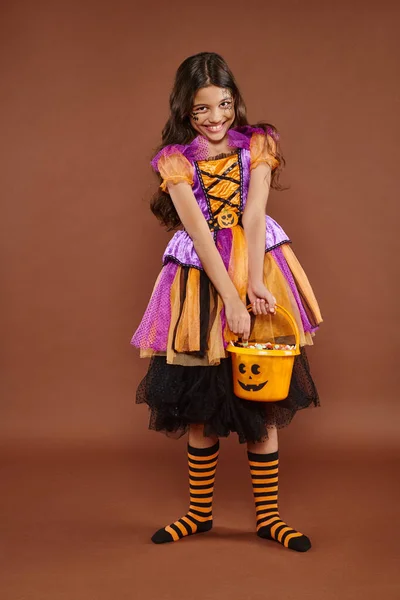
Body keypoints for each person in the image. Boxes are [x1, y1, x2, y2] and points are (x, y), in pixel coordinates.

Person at [131, 52, 322, 552]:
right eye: (202, 111)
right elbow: (196, 228)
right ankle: (198, 514)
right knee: (199, 397)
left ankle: (269, 518)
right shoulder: (176, 159)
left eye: (224, 105)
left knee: (262, 394)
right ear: (184, 112)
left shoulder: (258, 143)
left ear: (235, 102)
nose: (216, 119)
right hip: (201, 275)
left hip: (257, 263)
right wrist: (230, 299)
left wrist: (255, 284)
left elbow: (255, 213)